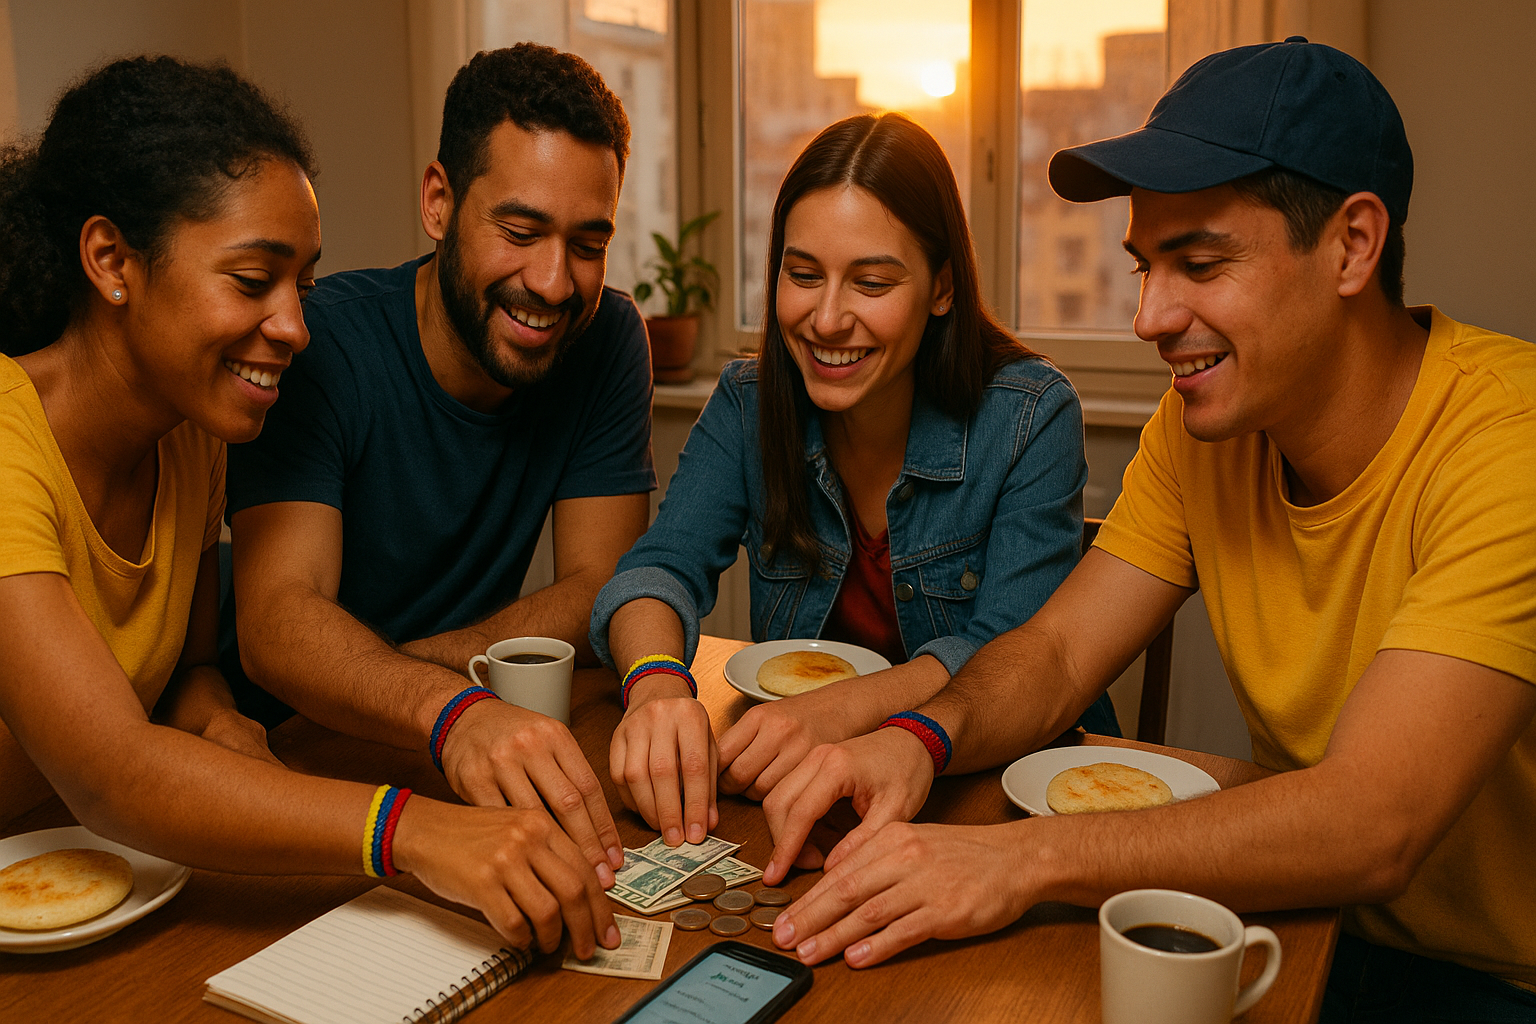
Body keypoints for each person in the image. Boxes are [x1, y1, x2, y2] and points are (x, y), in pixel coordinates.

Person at [756, 39, 1536, 1019]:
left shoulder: (1509, 447)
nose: (1148, 316)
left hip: (1491, 979)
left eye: (1198, 263)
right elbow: (1053, 653)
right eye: (1144, 266)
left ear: (1353, 244)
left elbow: (1376, 822)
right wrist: (920, 734)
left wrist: (1019, 859)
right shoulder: (1206, 420)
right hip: (1298, 913)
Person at [0, 56, 618, 958]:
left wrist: (224, 730)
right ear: (111, 261)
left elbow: (185, 672)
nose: (295, 325)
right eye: (253, 282)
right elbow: (111, 772)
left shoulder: (194, 431)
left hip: (91, 877)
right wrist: (413, 831)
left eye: (304, 283)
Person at [588, 112, 1119, 852]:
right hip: (810, 795)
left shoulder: (1030, 414)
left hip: (994, 797)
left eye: (871, 282)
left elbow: (1011, 652)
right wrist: (652, 685)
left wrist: (844, 709)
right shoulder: (749, 400)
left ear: (941, 288)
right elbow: (658, 568)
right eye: (803, 274)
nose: (828, 318)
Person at [224, 44, 655, 886]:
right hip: (294, 763)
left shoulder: (606, 340)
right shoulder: (320, 345)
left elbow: (603, 580)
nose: (554, 282)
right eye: (521, 232)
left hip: (462, 742)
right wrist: (449, 699)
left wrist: (441, 665)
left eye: (587, 242)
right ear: (438, 202)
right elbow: (277, 622)